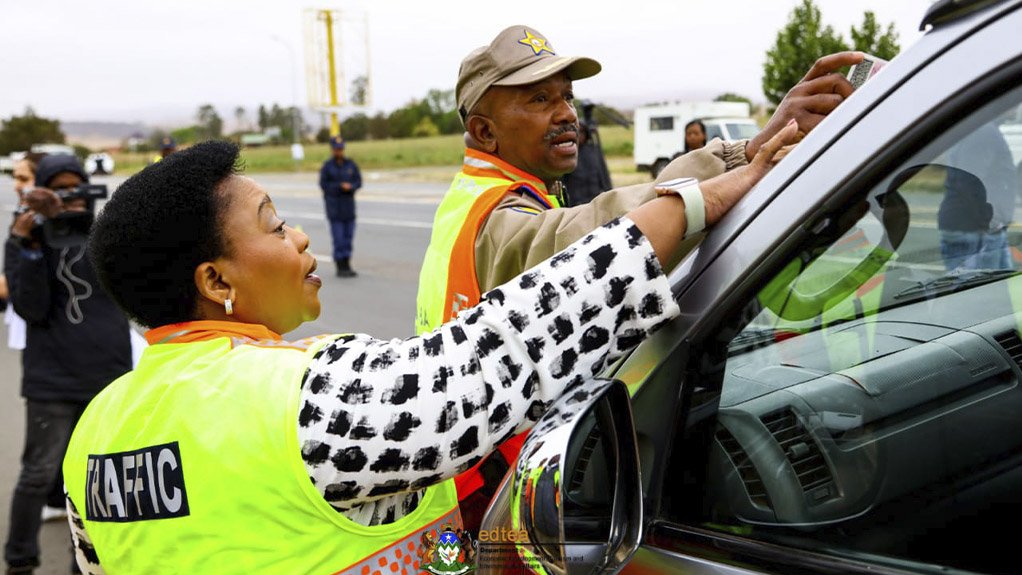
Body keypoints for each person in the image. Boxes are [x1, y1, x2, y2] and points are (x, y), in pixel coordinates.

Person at [63, 126, 795, 573]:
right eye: (275, 224)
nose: (300, 237)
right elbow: (503, 345)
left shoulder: (97, 428)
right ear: (216, 279)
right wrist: (706, 196)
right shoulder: (296, 399)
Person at [413, 23, 862, 528]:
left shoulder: (474, 195)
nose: (566, 115)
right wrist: (741, 158)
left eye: (566, 96)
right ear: (484, 132)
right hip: (499, 495)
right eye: (539, 99)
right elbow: (604, 235)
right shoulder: (498, 220)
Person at [4, 155, 133, 575]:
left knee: (103, 480)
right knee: (38, 475)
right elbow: (31, 308)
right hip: (51, 380)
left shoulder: (107, 236)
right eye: (59, 189)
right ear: (42, 192)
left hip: (107, 376)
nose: (71, 199)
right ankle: (20, 558)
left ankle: (91, 563)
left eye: (76, 188)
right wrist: (29, 246)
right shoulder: (25, 237)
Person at [939, 117, 1019, 271]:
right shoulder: (982, 132)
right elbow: (969, 182)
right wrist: (988, 223)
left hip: (983, 229)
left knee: (997, 291)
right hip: (975, 230)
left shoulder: (983, 129)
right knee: (977, 293)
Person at [318, 135, 362, 277]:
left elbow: (358, 181)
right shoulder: (327, 167)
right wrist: (339, 186)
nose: (339, 151)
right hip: (335, 209)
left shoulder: (350, 164)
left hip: (349, 209)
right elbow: (324, 185)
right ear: (332, 150)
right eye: (336, 149)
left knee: (348, 238)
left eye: (341, 149)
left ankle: (347, 264)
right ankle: (340, 266)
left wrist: (351, 187)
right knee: (339, 239)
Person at [562, 119, 612, 206]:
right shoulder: (566, 153)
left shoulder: (593, 151)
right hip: (575, 202)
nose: (579, 135)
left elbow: (603, 174)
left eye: (582, 132)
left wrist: (608, 192)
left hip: (594, 200)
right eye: (576, 132)